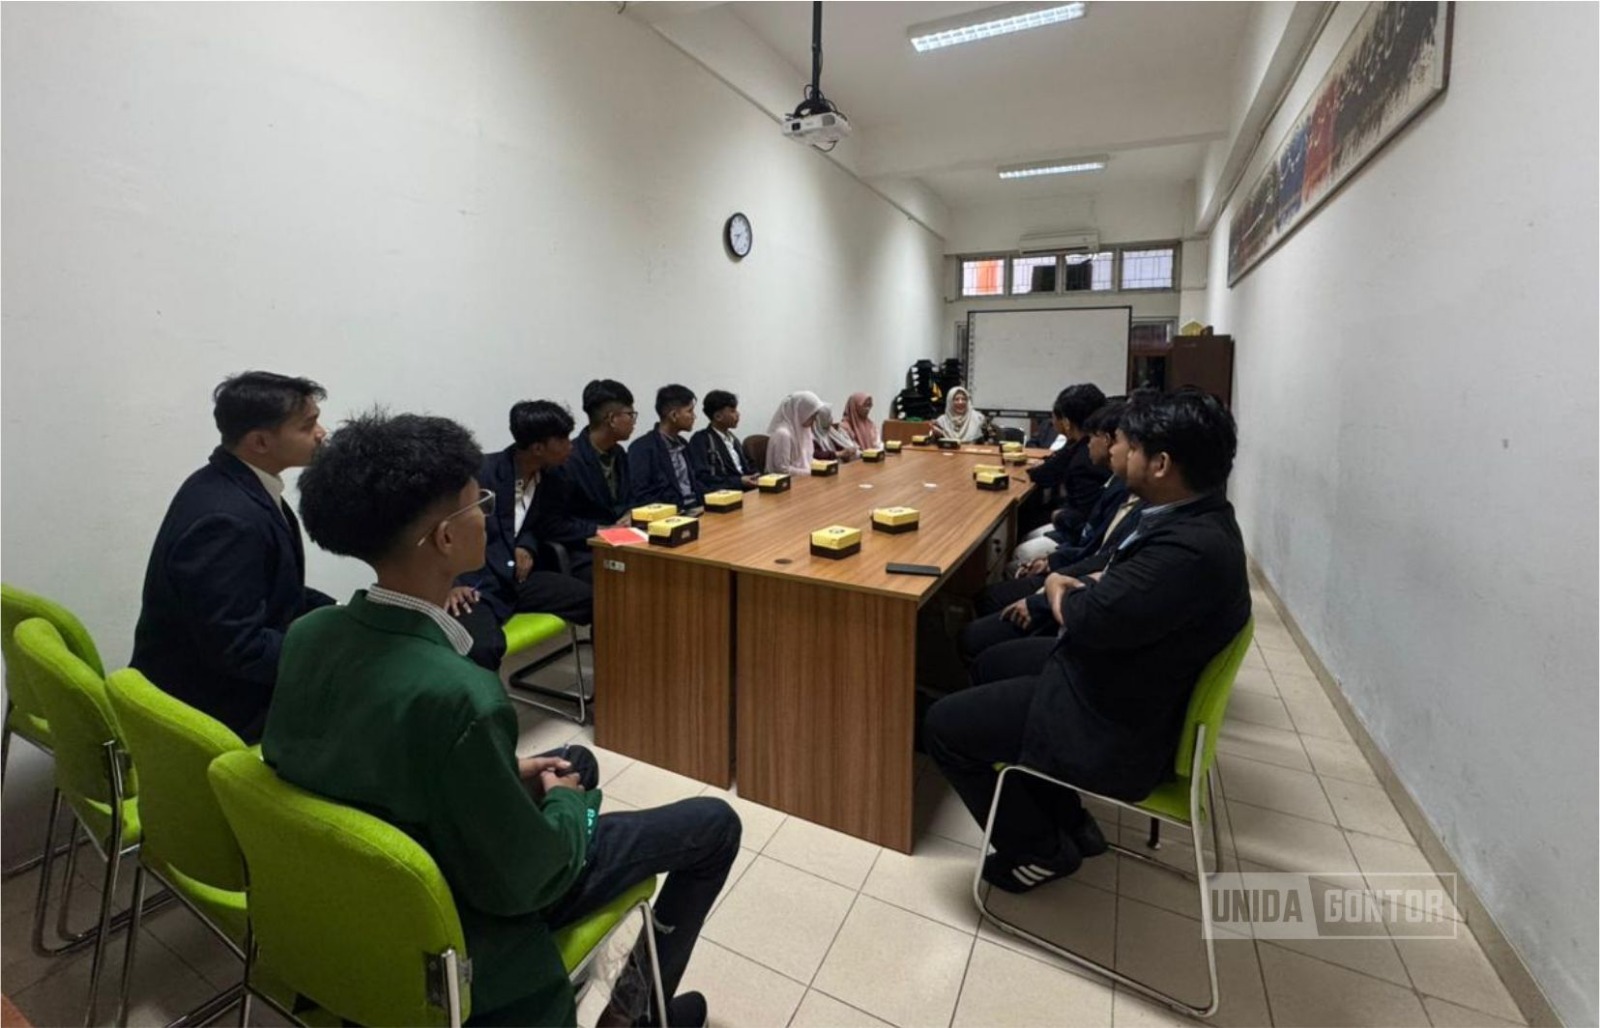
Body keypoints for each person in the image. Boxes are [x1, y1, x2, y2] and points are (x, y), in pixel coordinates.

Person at [266, 410, 740, 1028]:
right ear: (443, 538)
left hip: (371, 873)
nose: (488, 512)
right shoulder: (463, 695)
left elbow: (360, 749)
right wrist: (564, 807)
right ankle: (636, 1016)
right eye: (478, 503)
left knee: (574, 760)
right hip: (466, 908)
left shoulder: (310, 633)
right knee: (713, 823)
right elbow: (529, 880)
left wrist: (508, 770)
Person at [924, 389, 1249, 895]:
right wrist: (1078, 587)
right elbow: (1116, 585)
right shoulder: (1193, 518)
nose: (1117, 451)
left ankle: (1037, 849)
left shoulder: (1189, 550)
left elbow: (1089, 616)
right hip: (1116, 677)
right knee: (989, 663)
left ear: (1160, 463)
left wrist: (1056, 585)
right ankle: (1064, 814)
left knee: (943, 725)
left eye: (1128, 444)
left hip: (1113, 718)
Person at [132, 371, 335, 742]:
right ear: (260, 441)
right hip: (209, 711)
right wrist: (325, 657)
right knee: (362, 706)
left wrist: (339, 613)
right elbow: (238, 648)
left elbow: (269, 587)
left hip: (210, 684)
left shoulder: (226, 482)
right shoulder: (226, 518)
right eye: (308, 426)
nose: (322, 432)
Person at [444, 401, 595, 670]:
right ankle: (487, 708)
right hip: (476, 583)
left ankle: (612, 686)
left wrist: (527, 545)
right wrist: (451, 582)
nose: (570, 445)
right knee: (482, 647)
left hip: (518, 579)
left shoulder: (553, 477)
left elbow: (540, 526)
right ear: (538, 448)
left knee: (598, 600)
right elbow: (446, 529)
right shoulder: (482, 474)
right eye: (562, 439)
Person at [1010, 399, 1127, 569]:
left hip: (1078, 537)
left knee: (1023, 549)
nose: (1089, 442)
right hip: (1079, 532)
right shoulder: (1079, 448)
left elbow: (1089, 536)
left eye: (1093, 436)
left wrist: (1059, 517)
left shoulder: (1087, 463)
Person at [1020, 383, 1110, 534]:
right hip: (1086, 521)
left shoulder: (1087, 455)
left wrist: (1058, 515)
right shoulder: (1081, 443)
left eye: (1054, 416)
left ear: (1066, 422)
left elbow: (1086, 517)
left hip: (1085, 532)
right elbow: (1048, 469)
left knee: (1025, 542)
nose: (1052, 421)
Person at [565, 379, 637, 527]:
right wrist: (601, 531)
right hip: (588, 544)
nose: (634, 421)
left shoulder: (619, 453)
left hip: (625, 538)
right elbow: (558, 522)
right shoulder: (568, 459)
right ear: (612, 419)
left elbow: (630, 499)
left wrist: (631, 514)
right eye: (630, 414)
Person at [629, 384, 706, 513]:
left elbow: (696, 482)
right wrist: (677, 511)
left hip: (698, 509)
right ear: (674, 415)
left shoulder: (684, 444)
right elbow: (642, 496)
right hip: (670, 516)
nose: (694, 416)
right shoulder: (642, 448)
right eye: (690, 411)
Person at [689, 390, 759, 492]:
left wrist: (755, 475)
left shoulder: (733, 439)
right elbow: (703, 478)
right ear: (718, 416)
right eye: (732, 411)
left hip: (746, 490)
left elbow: (749, 464)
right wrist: (739, 481)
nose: (738, 414)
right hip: (725, 495)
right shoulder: (701, 440)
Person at [764, 391, 826, 476]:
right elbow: (783, 470)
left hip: (803, 481)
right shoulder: (783, 434)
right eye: (812, 416)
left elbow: (807, 460)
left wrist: (823, 466)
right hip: (787, 484)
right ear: (801, 412)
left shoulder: (803, 430)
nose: (814, 420)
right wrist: (812, 472)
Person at [929, 386, 993, 444]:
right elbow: (932, 446)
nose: (961, 402)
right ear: (950, 402)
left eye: (964, 399)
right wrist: (939, 435)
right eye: (956, 399)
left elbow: (992, 442)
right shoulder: (941, 422)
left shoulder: (979, 418)